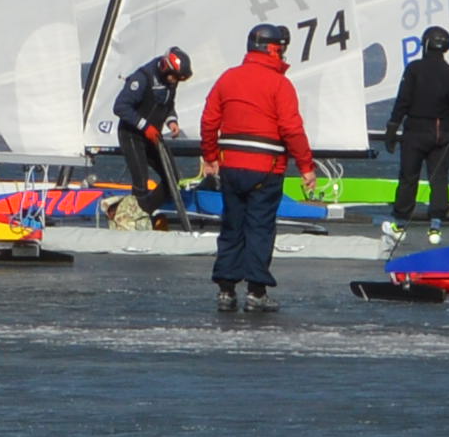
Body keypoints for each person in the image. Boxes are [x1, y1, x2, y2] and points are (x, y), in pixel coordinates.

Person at [198, 17, 314, 312]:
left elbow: (209, 120)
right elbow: (291, 129)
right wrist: (306, 167)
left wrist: (210, 156)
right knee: (260, 228)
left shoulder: (228, 78)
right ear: (273, 50)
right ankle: (256, 292)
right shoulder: (280, 84)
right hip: (266, 169)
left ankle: (225, 291)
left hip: (231, 167)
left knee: (232, 226)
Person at [384, 25, 449, 232]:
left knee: (408, 176)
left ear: (426, 44)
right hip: (442, 133)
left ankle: (401, 218)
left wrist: (392, 128)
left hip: (415, 131)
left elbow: (403, 100)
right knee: (439, 177)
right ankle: (437, 219)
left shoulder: (414, 69)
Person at [113, 43, 195, 231]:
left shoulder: (170, 82)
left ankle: (141, 212)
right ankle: (134, 219)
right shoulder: (142, 78)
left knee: (172, 177)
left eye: (178, 79)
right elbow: (120, 106)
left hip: (153, 135)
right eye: (173, 77)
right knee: (141, 182)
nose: (175, 82)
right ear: (165, 68)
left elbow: (168, 104)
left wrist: (172, 121)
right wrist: (145, 126)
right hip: (132, 134)